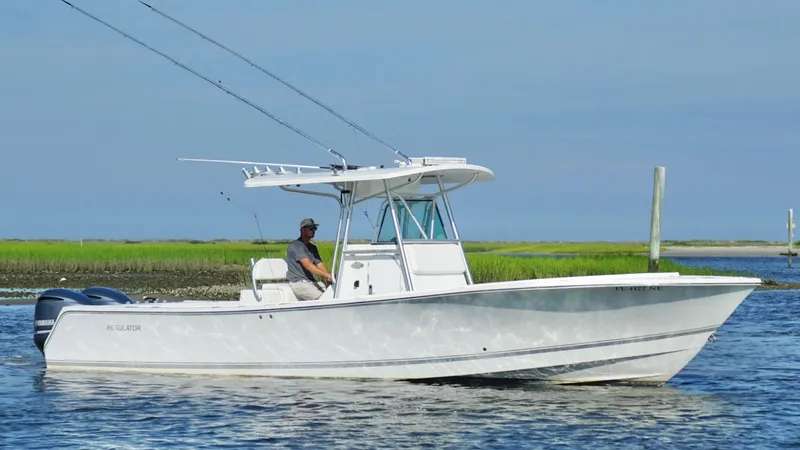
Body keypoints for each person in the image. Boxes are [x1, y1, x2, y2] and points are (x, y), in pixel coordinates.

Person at [286, 218, 333, 301]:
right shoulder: (296, 245)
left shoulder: (313, 247)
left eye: (315, 228)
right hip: (299, 282)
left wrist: (329, 278)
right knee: (323, 299)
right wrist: (325, 275)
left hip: (311, 282)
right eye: (310, 228)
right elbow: (308, 265)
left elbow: (319, 263)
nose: (313, 230)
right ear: (302, 230)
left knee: (333, 294)